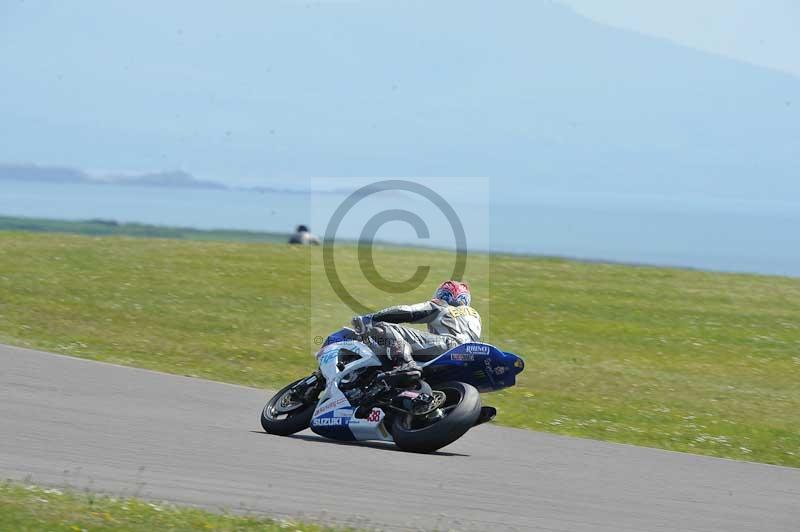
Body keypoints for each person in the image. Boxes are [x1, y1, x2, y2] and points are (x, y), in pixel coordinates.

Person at [351, 280, 481, 387]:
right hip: (472, 354)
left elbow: (408, 312)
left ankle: (405, 363)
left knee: (384, 328)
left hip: (448, 346)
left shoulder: (441, 305)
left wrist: (371, 318)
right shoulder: (475, 315)